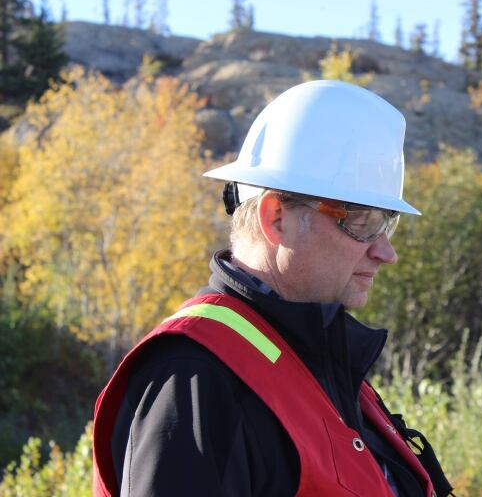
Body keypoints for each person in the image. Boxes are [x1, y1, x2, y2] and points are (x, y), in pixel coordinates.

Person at [92, 80, 453, 496]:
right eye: (362, 220)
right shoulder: (194, 379)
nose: (386, 252)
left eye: (388, 222)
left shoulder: (315, 362)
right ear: (276, 217)